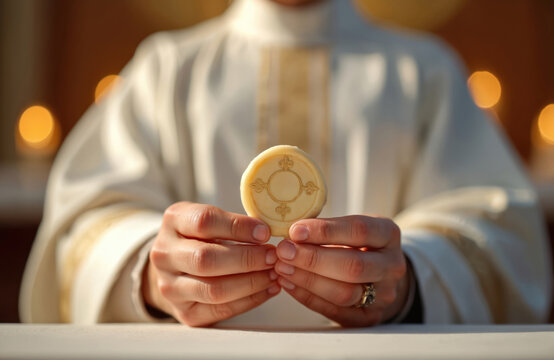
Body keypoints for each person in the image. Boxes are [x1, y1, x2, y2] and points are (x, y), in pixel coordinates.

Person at [20, 0, 552, 327]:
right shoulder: (166, 68)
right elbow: (84, 223)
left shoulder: (423, 70)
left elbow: (498, 227)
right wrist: (153, 274)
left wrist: (406, 278)